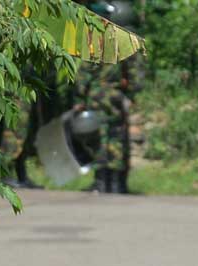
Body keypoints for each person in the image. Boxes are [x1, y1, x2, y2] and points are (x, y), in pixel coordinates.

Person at [74, 2, 142, 194]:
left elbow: (83, 75)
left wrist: (80, 99)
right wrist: (130, 94)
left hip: (96, 97)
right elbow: (136, 78)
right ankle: (117, 183)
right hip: (115, 98)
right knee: (117, 138)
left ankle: (101, 182)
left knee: (98, 138)